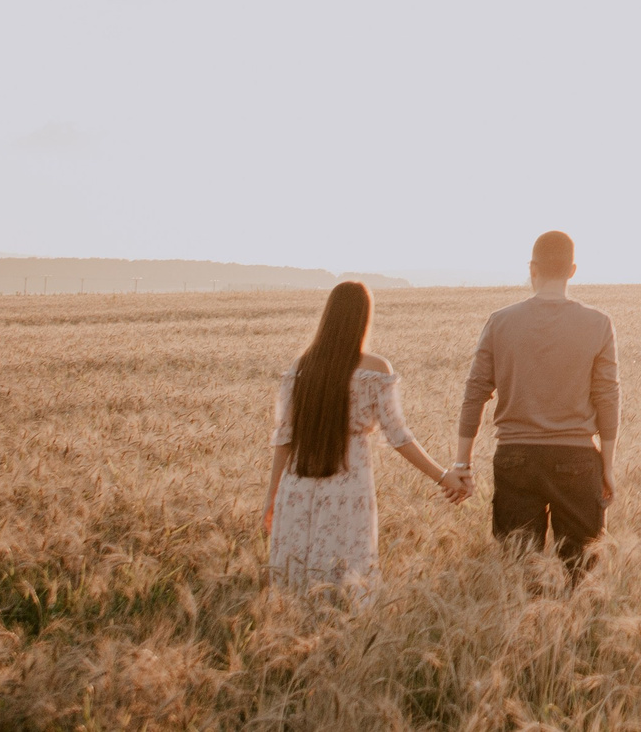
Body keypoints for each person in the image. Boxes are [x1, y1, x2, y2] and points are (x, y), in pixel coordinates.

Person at [264, 280, 466, 590]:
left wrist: (272, 499)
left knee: (297, 576)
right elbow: (399, 437)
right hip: (347, 488)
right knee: (345, 574)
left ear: (328, 316)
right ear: (363, 318)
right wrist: (443, 476)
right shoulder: (374, 370)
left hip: (297, 486)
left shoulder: (301, 367)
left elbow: (284, 438)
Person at [454, 230, 620, 580]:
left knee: (520, 573)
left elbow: (475, 393)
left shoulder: (500, 322)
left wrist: (462, 463)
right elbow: (607, 398)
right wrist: (607, 465)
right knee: (580, 573)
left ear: (532, 268)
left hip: (516, 457)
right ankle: (573, 633)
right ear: (572, 270)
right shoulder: (598, 323)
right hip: (577, 458)